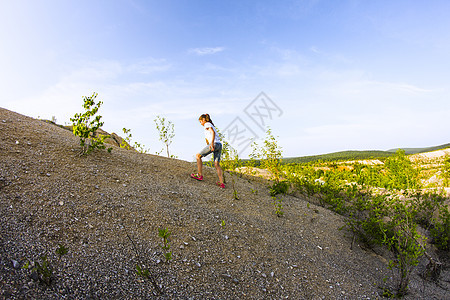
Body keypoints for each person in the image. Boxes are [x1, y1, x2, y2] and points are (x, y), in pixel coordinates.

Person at [191, 114, 225, 188]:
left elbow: (212, 133)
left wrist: (211, 143)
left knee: (198, 156)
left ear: (203, 120)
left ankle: (199, 175)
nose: (201, 124)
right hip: (219, 145)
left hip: (215, 144)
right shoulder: (211, 125)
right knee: (216, 164)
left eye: (200, 122)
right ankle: (221, 182)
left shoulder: (207, 124)